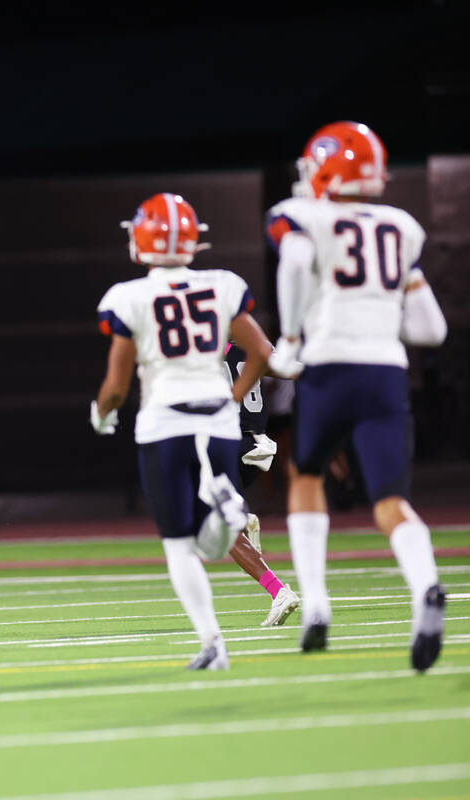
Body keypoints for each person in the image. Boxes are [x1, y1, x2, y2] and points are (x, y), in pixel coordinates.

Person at [266, 121, 448, 670]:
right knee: (391, 500)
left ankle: (316, 605)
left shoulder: (304, 216)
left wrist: (292, 335)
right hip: (386, 370)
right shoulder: (402, 226)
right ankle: (426, 588)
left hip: (329, 363)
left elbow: (296, 262)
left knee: (308, 474)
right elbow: (431, 329)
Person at [92, 193, 271, 670]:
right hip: (217, 420)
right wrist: (231, 403)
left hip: (165, 422)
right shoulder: (222, 284)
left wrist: (101, 413)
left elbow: (116, 384)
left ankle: (213, 642)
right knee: (208, 541)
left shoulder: (127, 297)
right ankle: (226, 507)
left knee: (177, 544)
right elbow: (261, 353)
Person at [223, 341, 301, 627]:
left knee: (220, 525)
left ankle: (278, 591)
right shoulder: (251, 346)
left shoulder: (202, 347)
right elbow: (290, 370)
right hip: (258, 446)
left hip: (225, 444)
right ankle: (242, 517)